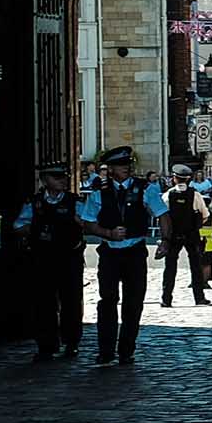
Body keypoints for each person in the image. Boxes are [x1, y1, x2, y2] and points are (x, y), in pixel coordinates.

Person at [78, 147, 154, 365]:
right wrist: (107, 233)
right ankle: (106, 349)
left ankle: (127, 349)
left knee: (134, 301)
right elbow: (88, 223)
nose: (127, 168)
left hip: (135, 251)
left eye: (128, 164)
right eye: (121, 166)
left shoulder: (144, 189)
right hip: (110, 252)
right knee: (108, 300)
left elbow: (161, 213)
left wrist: (165, 240)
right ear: (110, 169)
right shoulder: (98, 193)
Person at [17, 162, 86, 361]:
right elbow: (19, 226)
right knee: (43, 302)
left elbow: (88, 224)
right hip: (43, 258)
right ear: (45, 180)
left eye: (64, 177)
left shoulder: (75, 202)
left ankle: (71, 342)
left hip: (68, 258)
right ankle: (46, 345)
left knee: (71, 301)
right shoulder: (34, 202)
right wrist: (34, 230)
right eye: (57, 177)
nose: (63, 180)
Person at [157, 163, 212, 307]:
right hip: (191, 234)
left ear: (174, 179)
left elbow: (163, 217)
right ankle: (199, 297)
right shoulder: (195, 195)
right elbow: (205, 214)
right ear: (188, 179)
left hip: (173, 235)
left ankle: (166, 298)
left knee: (170, 267)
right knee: (195, 266)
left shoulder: (167, 195)